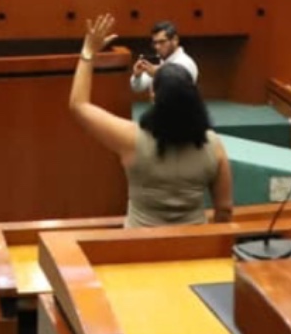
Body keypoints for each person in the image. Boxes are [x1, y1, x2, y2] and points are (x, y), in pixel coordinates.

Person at [69, 15, 231, 227]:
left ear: (154, 97)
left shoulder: (131, 138)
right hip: (194, 242)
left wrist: (88, 53)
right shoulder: (214, 145)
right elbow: (224, 210)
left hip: (139, 242)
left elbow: (79, 105)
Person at [130, 21, 198, 98]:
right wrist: (137, 75)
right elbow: (138, 88)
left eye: (162, 42)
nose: (157, 47)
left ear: (175, 40)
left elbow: (178, 89)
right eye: (155, 43)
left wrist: (158, 74)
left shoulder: (186, 63)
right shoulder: (160, 62)